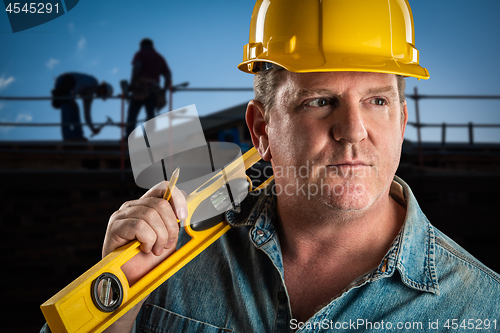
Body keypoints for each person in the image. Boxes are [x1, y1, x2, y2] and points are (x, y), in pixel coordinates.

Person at [41, 0, 500, 332]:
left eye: (377, 100)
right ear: (261, 129)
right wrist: (114, 308)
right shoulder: (171, 259)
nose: (353, 131)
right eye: (320, 102)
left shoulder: (481, 309)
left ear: (401, 121)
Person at [125, 38, 172, 138]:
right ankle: (150, 138)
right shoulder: (159, 57)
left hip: (140, 88)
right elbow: (168, 75)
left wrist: (132, 84)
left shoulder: (141, 53)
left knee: (132, 114)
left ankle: (129, 137)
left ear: (142, 46)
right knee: (150, 113)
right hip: (154, 89)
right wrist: (163, 91)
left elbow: (137, 67)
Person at [51, 72, 113, 141]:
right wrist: (72, 98)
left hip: (69, 87)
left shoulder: (89, 96)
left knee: (75, 108)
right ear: (103, 88)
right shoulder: (93, 82)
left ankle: (78, 136)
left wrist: (92, 128)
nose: (101, 97)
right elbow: (80, 85)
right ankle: (67, 137)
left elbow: (87, 115)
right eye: (103, 95)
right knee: (67, 104)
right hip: (65, 81)